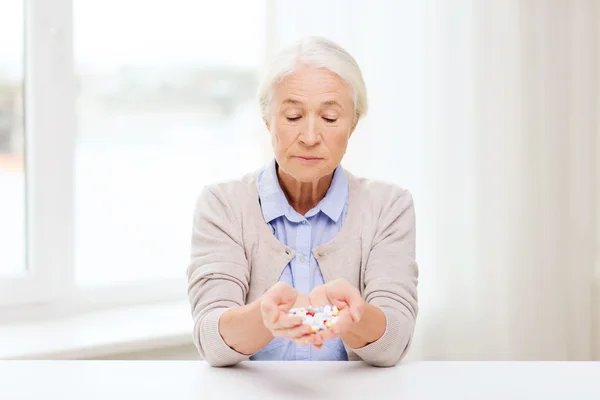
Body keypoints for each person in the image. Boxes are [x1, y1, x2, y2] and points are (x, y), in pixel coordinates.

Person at [186, 36, 418, 367]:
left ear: (352, 125)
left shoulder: (389, 207)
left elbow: (394, 341)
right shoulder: (222, 204)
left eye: (330, 118)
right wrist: (263, 318)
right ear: (268, 122)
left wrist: (355, 317)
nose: (309, 137)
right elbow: (211, 339)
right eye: (293, 116)